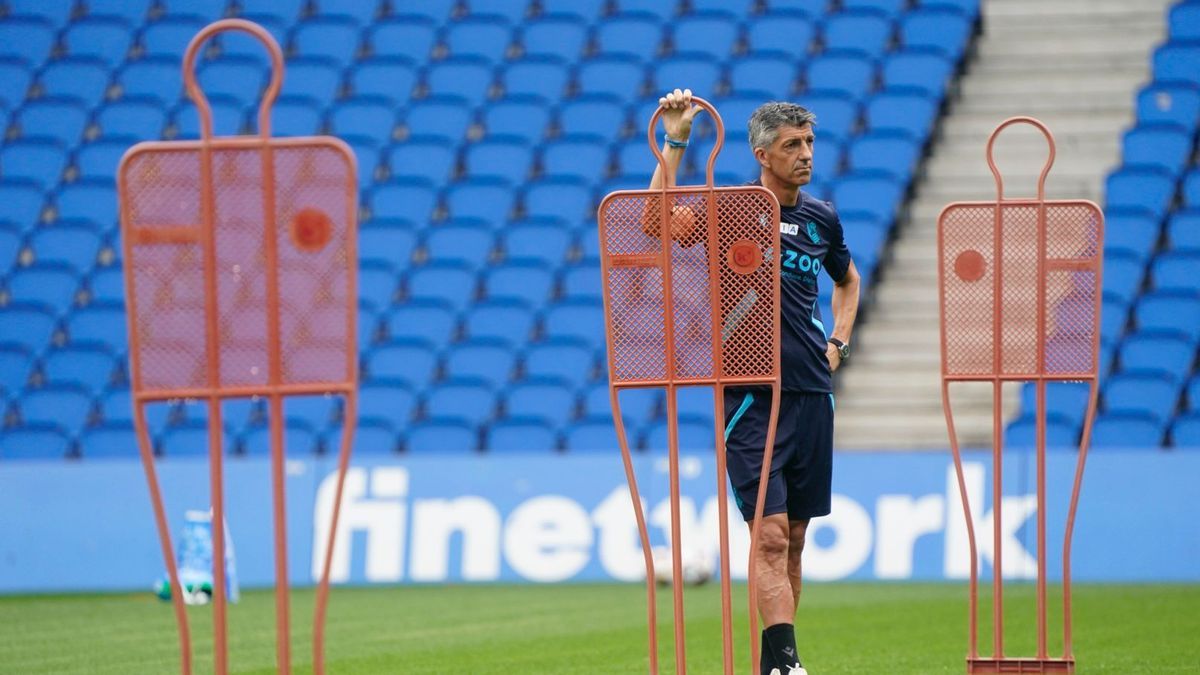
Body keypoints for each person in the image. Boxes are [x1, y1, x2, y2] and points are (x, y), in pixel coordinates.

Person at [647, 88, 862, 675]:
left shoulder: (822, 218)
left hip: (814, 394)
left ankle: (775, 666)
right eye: (792, 145)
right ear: (763, 154)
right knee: (766, 536)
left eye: (810, 142)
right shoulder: (731, 208)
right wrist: (676, 139)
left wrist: (838, 343)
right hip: (750, 393)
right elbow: (654, 221)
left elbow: (848, 281)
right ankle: (791, 667)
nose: (806, 154)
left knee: (792, 541)